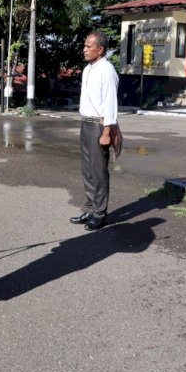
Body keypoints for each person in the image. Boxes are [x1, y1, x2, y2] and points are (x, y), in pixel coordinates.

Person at [69, 31, 119, 231]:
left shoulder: (107, 70)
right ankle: (90, 208)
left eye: (89, 46)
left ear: (100, 49)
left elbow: (110, 103)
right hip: (86, 123)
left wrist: (107, 132)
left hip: (99, 126)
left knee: (98, 170)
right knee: (87, 169)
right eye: (84, 45)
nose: (84, 49)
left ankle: (100, 213)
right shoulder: (88, 69)